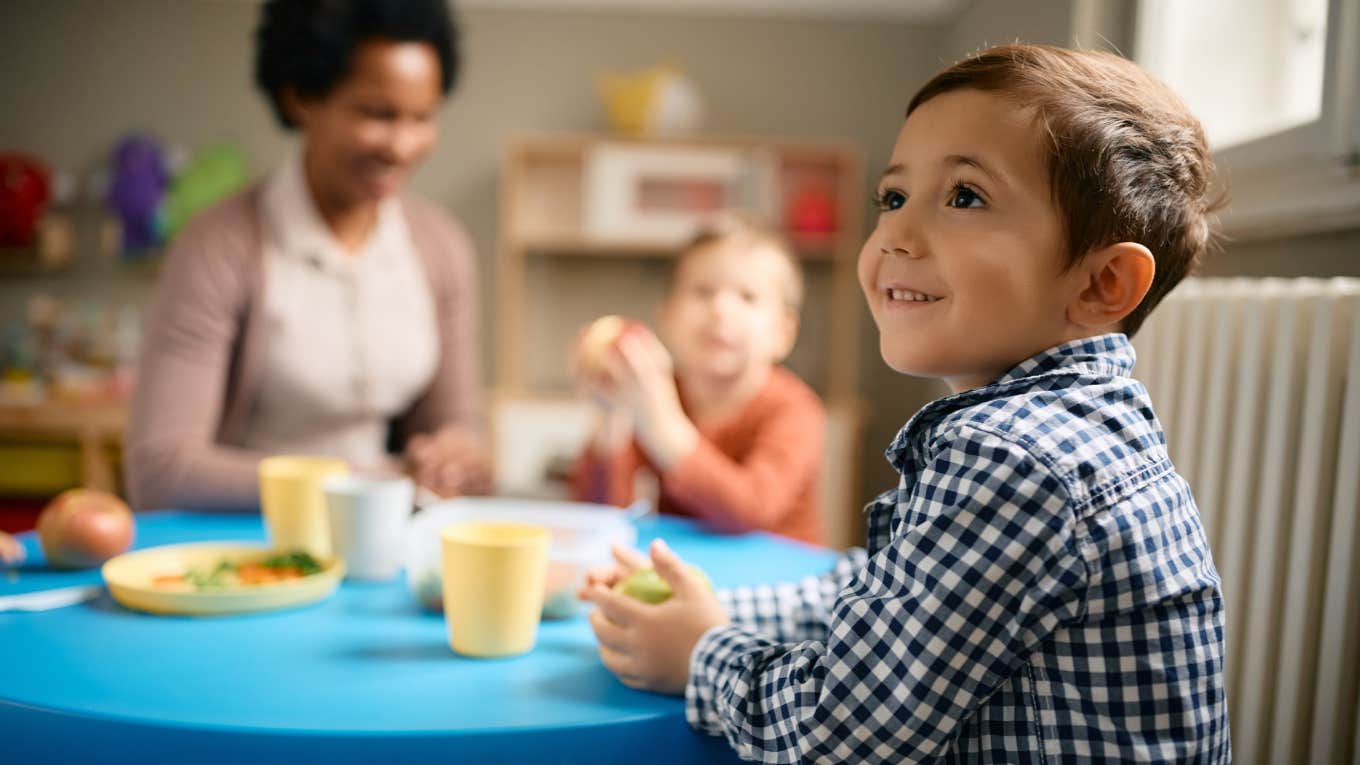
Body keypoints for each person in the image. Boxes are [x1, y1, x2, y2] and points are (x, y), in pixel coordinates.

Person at [580, 44, 1230, 762]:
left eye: (964, 197)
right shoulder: (1069, 426)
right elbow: (880, 597)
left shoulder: (1017, 456)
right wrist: (714, 607)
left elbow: (843, 731)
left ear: (1102, 283)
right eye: (892, 198)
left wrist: (703, 652)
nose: (895, 234)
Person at [126, 0, 490, 511]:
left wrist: (458, 455)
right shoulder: (219, 246)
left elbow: (456, 424)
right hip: (248, 546)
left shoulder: (441, 246)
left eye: (422, 117)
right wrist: (369, 482)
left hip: (384, 536)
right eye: (377, 114)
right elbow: (162, 470)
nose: (403, 145)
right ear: (300, 98)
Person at [568, 216, 826, 545]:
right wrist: (609, 420)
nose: (720, 309)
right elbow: (599, 517)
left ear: (783, 332)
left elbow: (749, 510)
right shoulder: (657, 395)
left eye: (747, 297)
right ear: (667, 316)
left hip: (783, 583)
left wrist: (663, 423)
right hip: (688, 576)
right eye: (703, 292)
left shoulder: (795, 410)